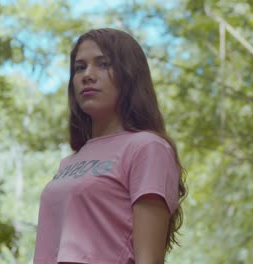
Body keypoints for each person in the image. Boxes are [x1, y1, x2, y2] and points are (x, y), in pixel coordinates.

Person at [34, 28, 186, 264]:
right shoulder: (69, 162)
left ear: (130, 75)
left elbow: (149, 259)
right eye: (79, 67)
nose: (88, 75)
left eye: (103, 64)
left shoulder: (148, 148)